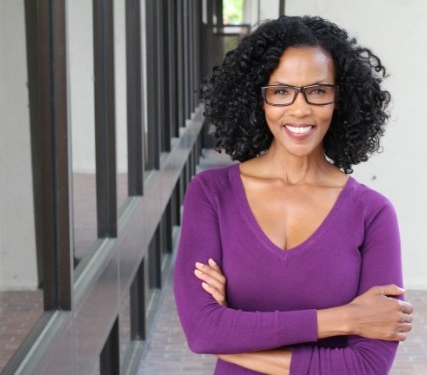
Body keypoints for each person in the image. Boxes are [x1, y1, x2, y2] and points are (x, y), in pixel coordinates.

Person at [173, 15, 413, 375]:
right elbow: (202, 331)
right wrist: (345, 318)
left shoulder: (372, 213)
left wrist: (232, 334)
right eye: (281, 91)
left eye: (317, 91)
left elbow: (365, 367)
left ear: (339, 100)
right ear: (259, 99)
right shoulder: (212, 194)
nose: (300, 109)